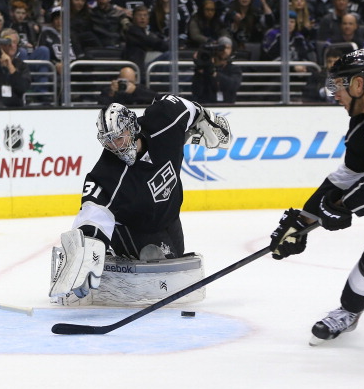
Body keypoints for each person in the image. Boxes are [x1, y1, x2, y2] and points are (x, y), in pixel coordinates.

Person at [268, 49, 364, 345]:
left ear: (358, 84)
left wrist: (341, 207)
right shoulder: (363, 122)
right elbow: (347, 176)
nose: (334, 94)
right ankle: (348, 312)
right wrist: (303, 220)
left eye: (337, 85)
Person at [49, 95, 232, 299]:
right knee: (154, 271)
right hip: (133, 228)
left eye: (119, 137)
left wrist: (205, 116)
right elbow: (93, 212)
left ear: (132, 127)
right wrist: (85, 250)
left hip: (169, 218)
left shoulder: (164, 122)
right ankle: (113, 254)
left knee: (173, 269)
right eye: (109, 141)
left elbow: (181, 106)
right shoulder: (107, 172)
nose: (115, 146)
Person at [192, 36, 242, 104]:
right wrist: (200, 70)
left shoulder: (234, 69)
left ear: (231, 50)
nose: (224, 51)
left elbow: (233, 86)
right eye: (222, 48)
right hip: (206, 106)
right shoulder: (204, 69)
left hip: (228, 106)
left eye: (227, 48)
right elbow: (196, 91)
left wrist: (214, 74)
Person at [123, 4, 169, 76]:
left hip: (146, 67)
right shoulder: (133, 31)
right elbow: (155, 43)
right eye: (139, 15)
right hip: (140, 71)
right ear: (133, 17)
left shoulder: (149, 33)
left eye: (145, 15)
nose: (142, 18)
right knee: (169, 55)